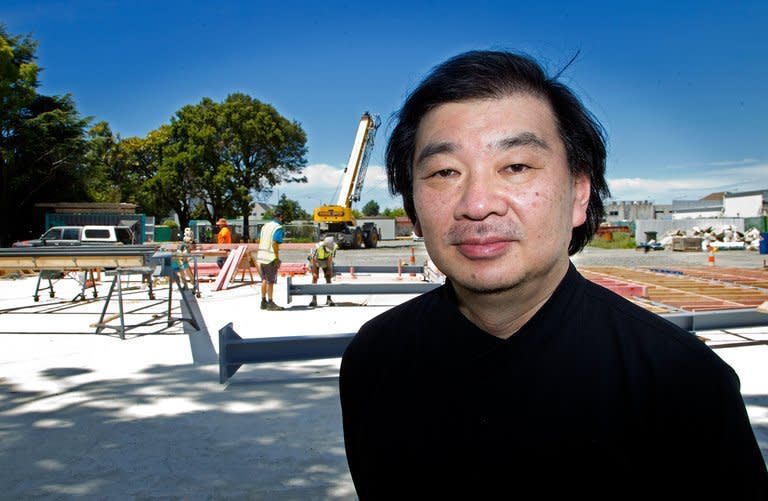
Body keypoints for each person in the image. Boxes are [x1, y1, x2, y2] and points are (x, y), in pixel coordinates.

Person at [339, 50, 768, 499]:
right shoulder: (376, 359)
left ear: (579, 194)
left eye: (517, 167)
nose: (477, 202)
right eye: (445, 172)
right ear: (414, 209)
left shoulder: (682, 381)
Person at [256, 208, 284, 310]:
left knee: (264, 279)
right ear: (281, 217)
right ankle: (270, 303)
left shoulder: (265, 226)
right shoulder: (278, 227)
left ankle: (263, 302)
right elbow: (274, 243)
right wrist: (276, 258)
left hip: (261, 256)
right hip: (270, 258)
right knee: (270, 281)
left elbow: (258, 239)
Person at [307, 235, 338, 307]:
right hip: (316, 260)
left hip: (326, 260)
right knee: (315, 277)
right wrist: (315, 272)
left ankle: (329, 299)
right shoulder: (318, 247)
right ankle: (314, 300)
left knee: (328, 277)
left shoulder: (334, 247)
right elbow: (313, 260)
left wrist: (329, 269)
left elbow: (330, 258)